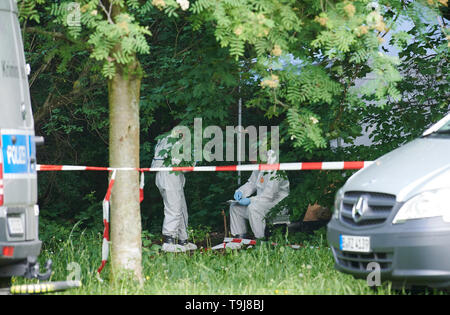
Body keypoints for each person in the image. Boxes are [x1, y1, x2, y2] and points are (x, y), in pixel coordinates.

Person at [229, 150, 289, 243]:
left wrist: (250, 200)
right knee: (235, 207)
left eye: (253, 160)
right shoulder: (259, 166)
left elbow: (269, 194)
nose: (252, 163)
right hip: (262, 203)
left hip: (277, 205)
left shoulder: (275, 168)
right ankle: (240, 238)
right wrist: (240, 191)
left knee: (253, 208)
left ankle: (260, 240)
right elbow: (251, 183)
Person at [152, 131, 197, 253]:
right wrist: (194, 160)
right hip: (169, 176)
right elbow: (184, 166)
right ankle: (169, 241)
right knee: (174, 208)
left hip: (169, 176)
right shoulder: (175, 141)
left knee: (182, 209)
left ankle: (183, 240)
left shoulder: (165, 138)